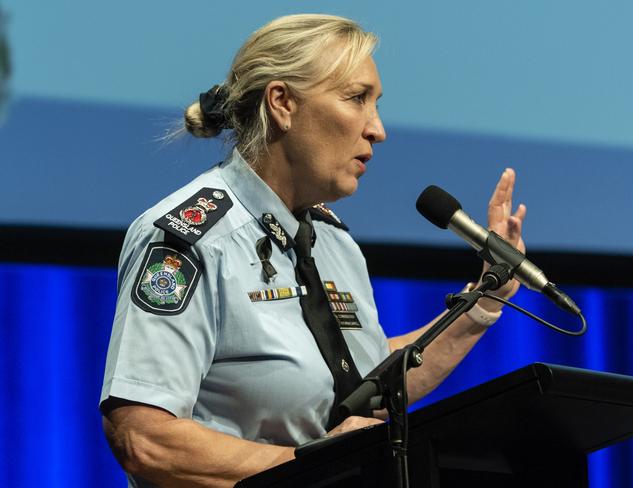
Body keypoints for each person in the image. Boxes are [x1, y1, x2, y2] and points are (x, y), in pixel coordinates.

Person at [100, 13, 526, 488]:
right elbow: (143, 438)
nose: (378, 129)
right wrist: (314, 466)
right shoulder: (190, 238)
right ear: (282, 103)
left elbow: (371, 386)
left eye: (376, 103)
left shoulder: (332, 238)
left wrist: (486, 300)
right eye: (356, 99)